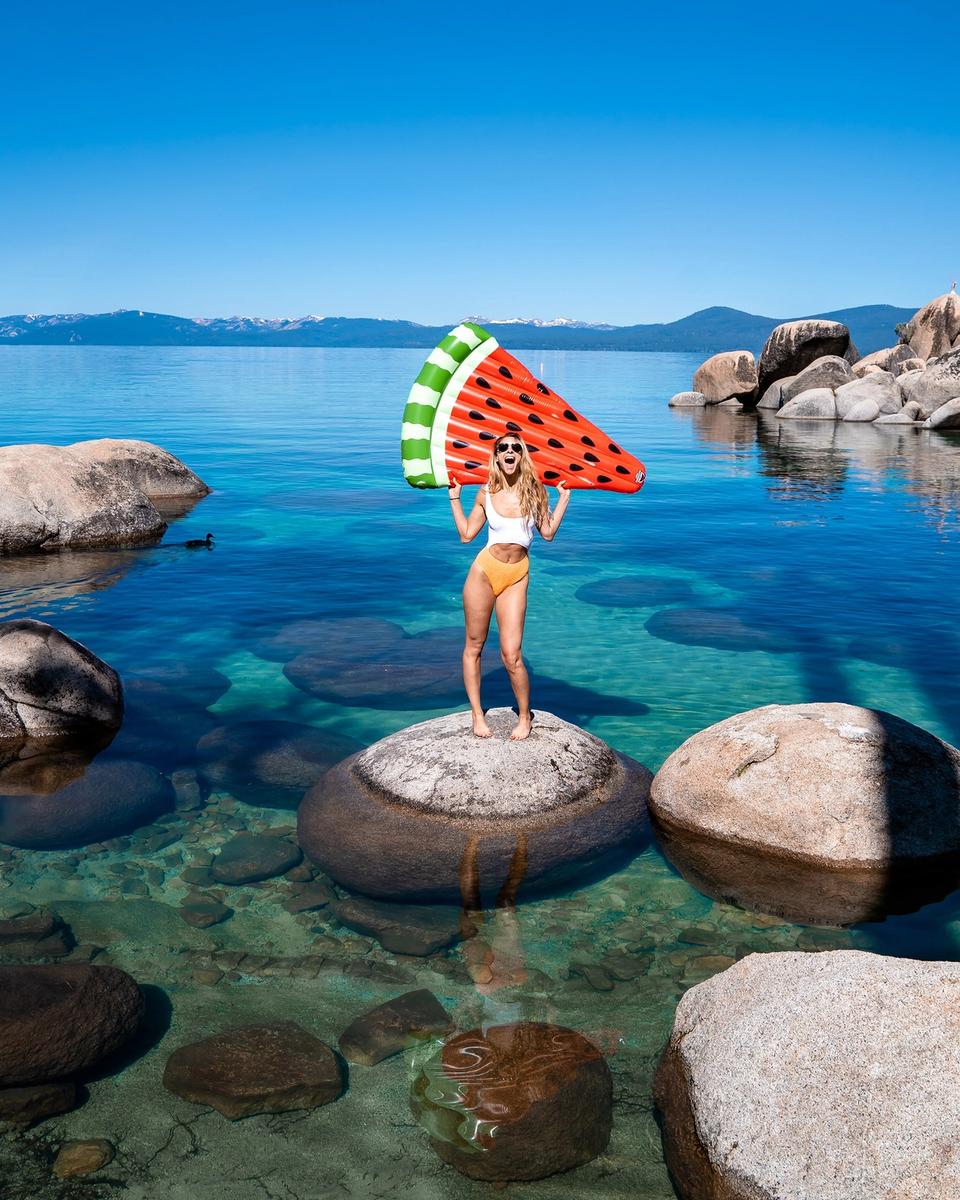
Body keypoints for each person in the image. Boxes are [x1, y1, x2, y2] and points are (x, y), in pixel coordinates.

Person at [447, 434, 571, 740]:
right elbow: (466, 535)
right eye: (504, 448)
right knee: (474, 647)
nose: (510, 451)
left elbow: (549, 533)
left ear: (522, 455)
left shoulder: (535, 492)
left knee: (511, 654)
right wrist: (453, 498)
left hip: (517, 575)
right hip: (483, 572)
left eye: (516, 447)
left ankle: (524, 715)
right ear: (497, 457)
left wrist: (564, 500)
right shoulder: (485, 493)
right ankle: (477, 714)